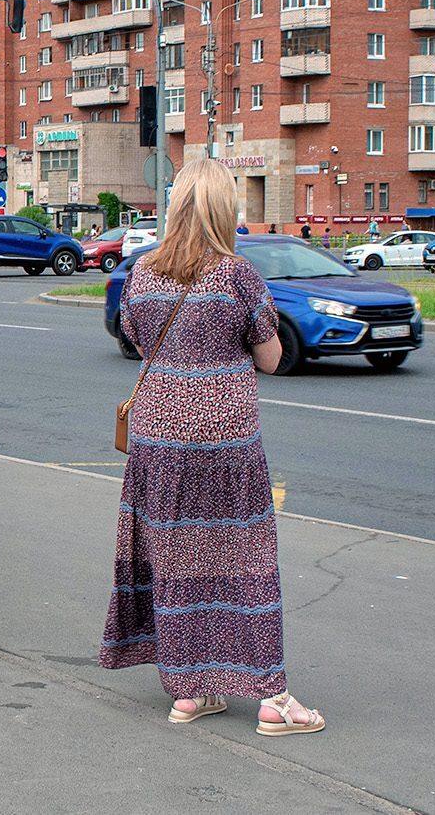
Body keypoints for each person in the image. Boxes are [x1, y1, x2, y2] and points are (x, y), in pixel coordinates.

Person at [101, 158, 325, 736]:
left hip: (157, 442)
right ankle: (272, 697)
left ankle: (190, 691)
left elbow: (134, 336)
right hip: (223, 441)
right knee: (243, 563)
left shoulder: (142, 274)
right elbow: (272, 359)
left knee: (176, 562)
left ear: (175, 207)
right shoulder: (238, 277)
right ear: (227, 210)